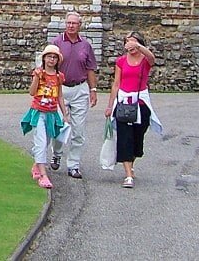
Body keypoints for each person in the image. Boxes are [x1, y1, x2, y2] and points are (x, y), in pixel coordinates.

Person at [104, 31, 163, 188]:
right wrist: (110, 105)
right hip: (123, 103)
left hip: (140, 104)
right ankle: (128, 174)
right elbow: (116, 83)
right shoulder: (121, 61)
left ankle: (131, 163)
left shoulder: (144, 60)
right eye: (127, 42)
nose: (129, 45)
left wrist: (138, 46)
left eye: (132, 42)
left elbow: (152, 58)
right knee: (125, 137)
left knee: (137, 138)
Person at [49, 11, 98, 179]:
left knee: (78, 130)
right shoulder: (56, 43)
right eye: (68, 23)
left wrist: (93, 90)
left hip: (80, 88)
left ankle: (74, 165)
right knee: (59, 126)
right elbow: (48, 66)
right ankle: (56, 153)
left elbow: (90, 68)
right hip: (60, 88)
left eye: (74, 23)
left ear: (79, 26)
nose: (71, 26)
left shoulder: (85, 45)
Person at [21, 45, 71, 189]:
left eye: (54, 57)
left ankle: (37, 165)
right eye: (49, 56)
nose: (52, 59)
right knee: (41, 143)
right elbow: (32, 92)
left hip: (52, 113)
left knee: (46, 141)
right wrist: (36, 77)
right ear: (44, 58)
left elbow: (60, 95)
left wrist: (64, 114)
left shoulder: (58, 77)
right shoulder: (39, 74)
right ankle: (43, 175)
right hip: (39, 112)